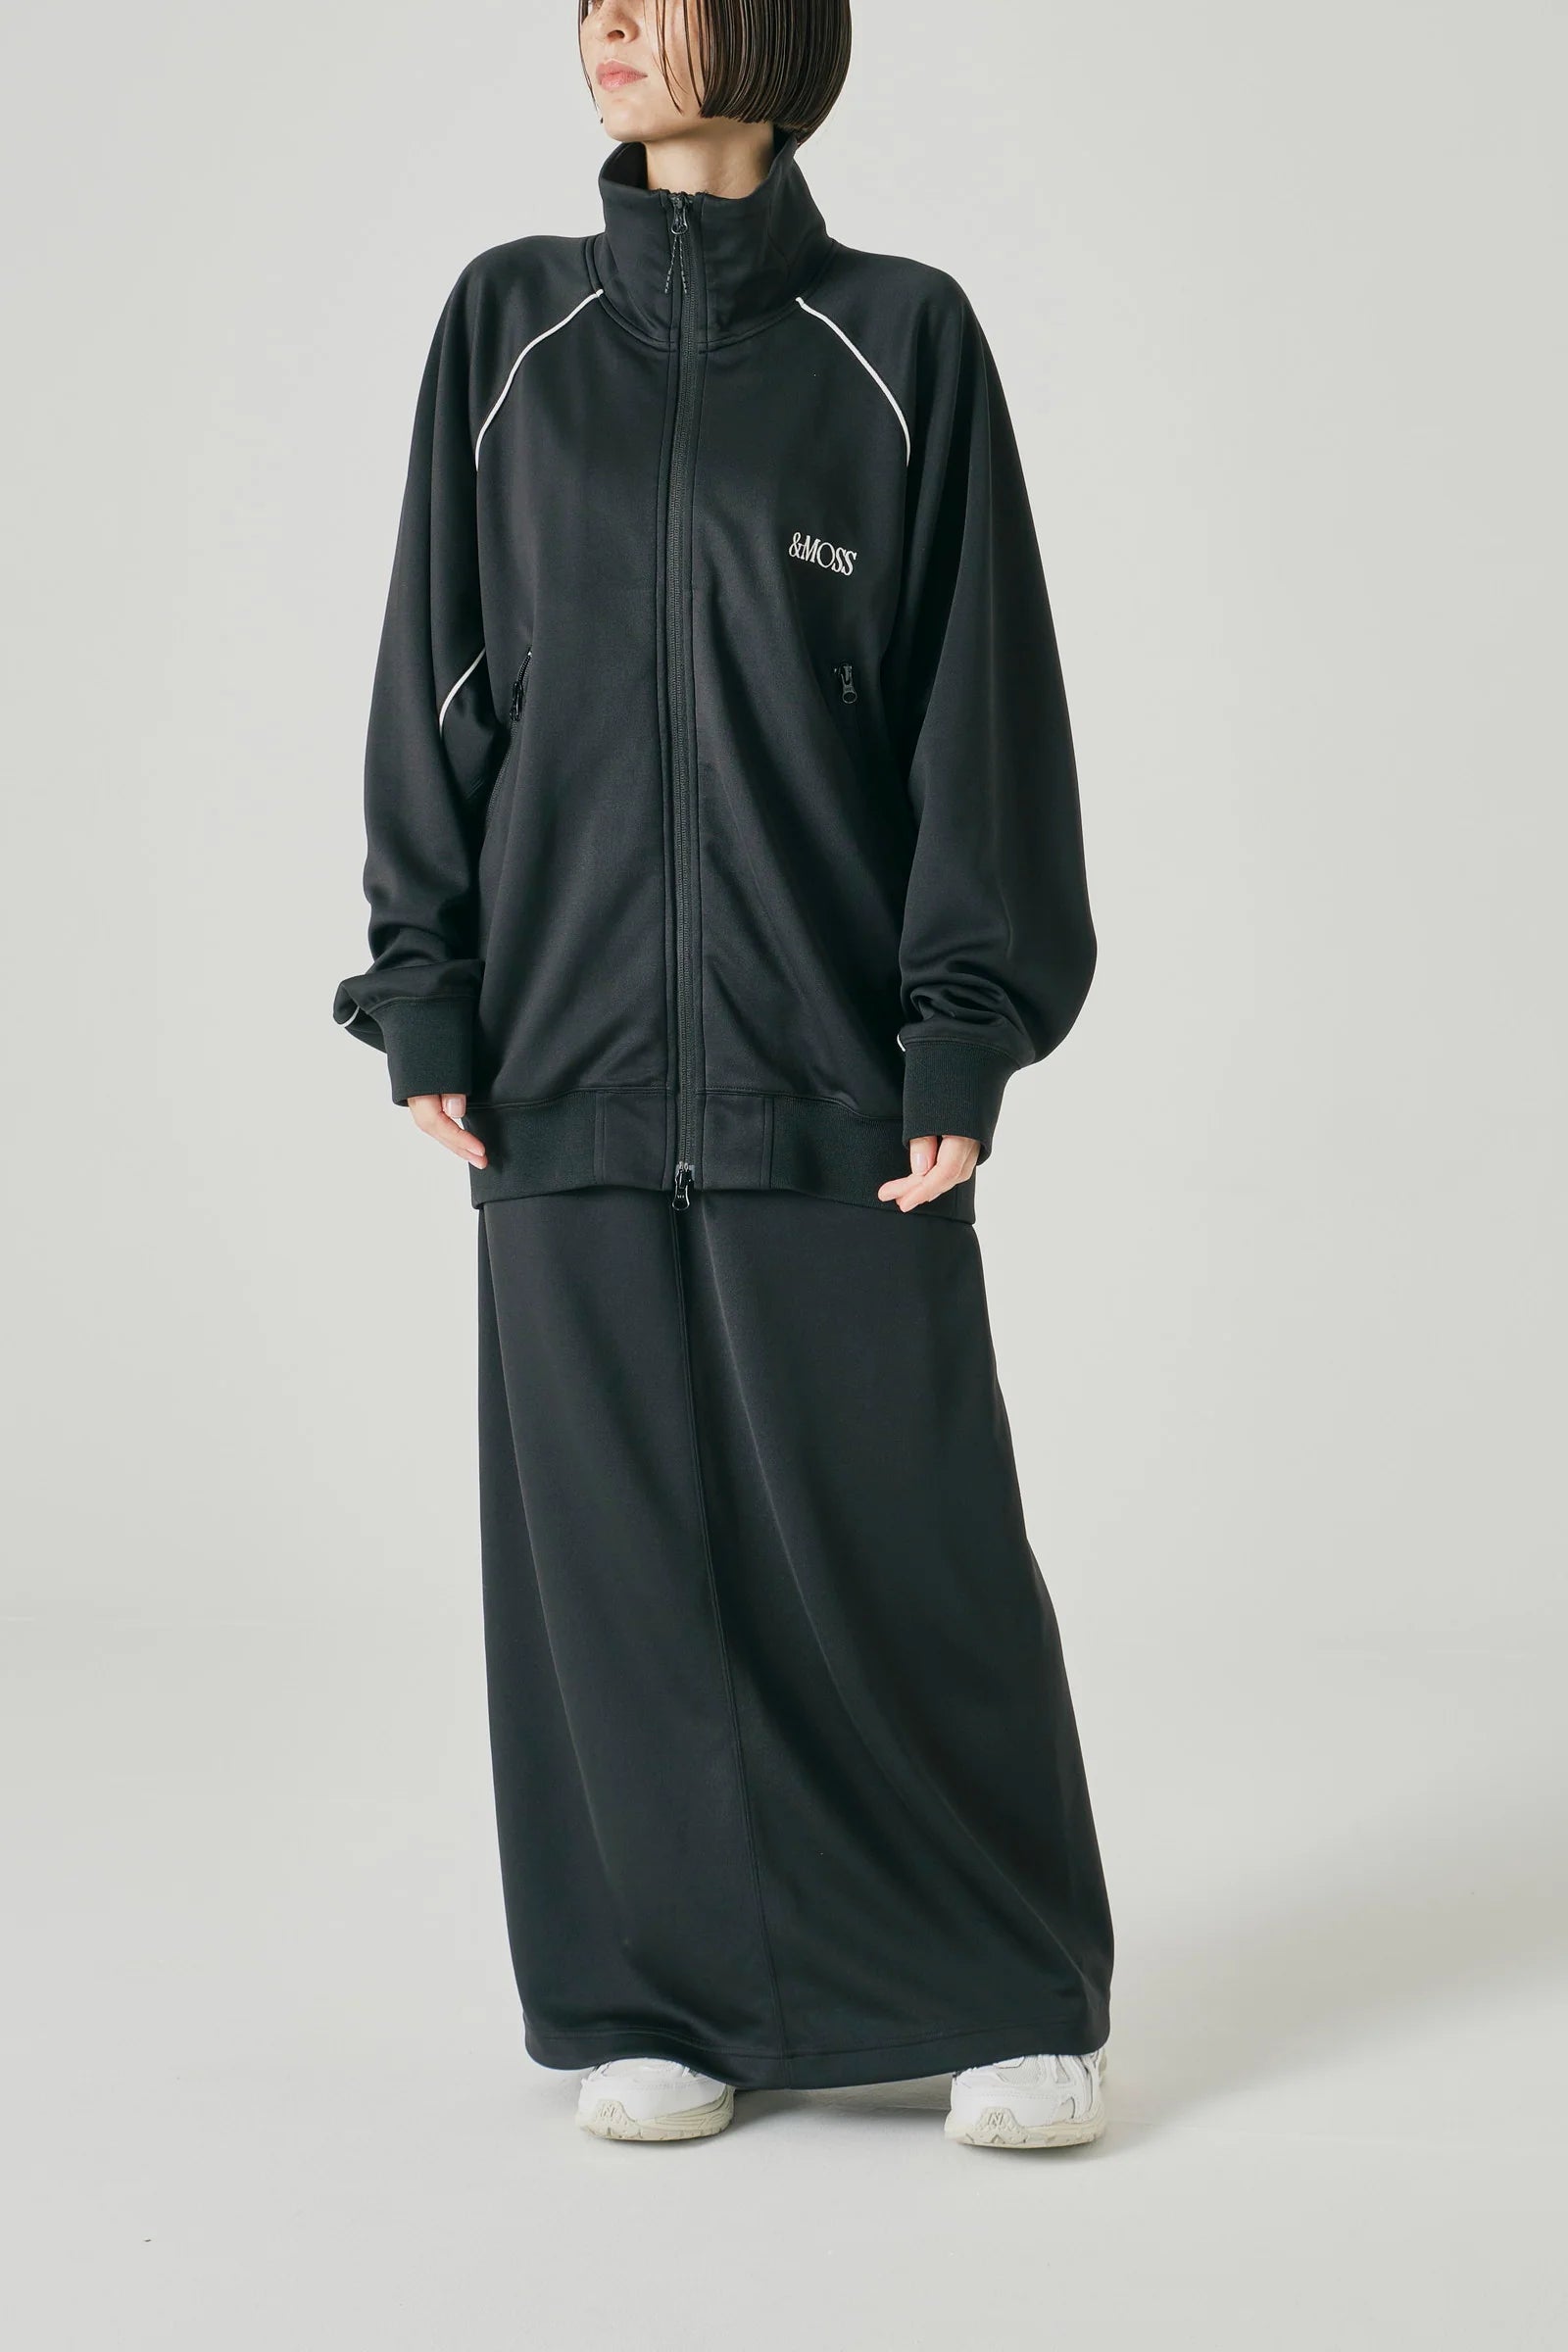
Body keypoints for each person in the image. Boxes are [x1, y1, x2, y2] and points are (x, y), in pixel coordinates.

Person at [333, 0, 1114, 2150]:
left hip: (829, 1059)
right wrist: (427, 987)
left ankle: (1005, 1986)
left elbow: (975, 710)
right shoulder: (507, 331)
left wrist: (962, 1020)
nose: (608, 20)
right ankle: (649, 1999)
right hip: (561, 1056)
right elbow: (438, 675)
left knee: (904, 1545)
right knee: (611, 1571)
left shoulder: (899, 339)